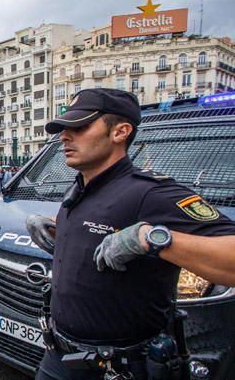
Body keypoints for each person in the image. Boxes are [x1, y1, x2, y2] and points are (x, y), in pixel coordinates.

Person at [26, 89, 235, 380]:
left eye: (80, 127)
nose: (64, 136)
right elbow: (101, 228)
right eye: (64, 128)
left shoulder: (150, 193)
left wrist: (153, 238)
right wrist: (56, 229)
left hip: (117, 368)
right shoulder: (81, 187)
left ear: (120, 131)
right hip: (58, 356)